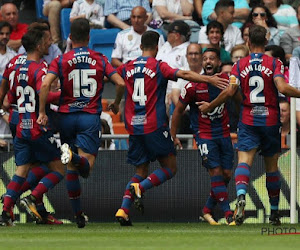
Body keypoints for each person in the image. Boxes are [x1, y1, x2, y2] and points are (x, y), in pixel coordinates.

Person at [109, 30, 229, 226]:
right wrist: (209, 79)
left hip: (134, 128)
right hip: (154, 125)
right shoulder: (158, 66)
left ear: (140, 47)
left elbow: (115, 80)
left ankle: (123, 209)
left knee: (141, 169)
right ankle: (140, 188)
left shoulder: (127, 66)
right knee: (170, 167)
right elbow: (184, 73)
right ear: (157, 48)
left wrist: (115, 102)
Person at [199, 25, 300, 226]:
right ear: (266, 41)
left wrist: (210, 105)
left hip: (248, 119)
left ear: (248, 42)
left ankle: (242, 195)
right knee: (271, 167)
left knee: (244, 162)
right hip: (271, 119)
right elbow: (282, 87)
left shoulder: (239, 65)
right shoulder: (274, 62)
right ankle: (273, 213)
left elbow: (230, 92)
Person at [37, 18, 125, 228]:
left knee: (72, 169)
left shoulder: (61, 59)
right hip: (88, 118)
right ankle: (75, 156)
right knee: (85, 167)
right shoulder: (100, 58)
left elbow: (45, 85)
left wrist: (42, 111)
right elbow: (120, 82)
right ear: (89, 37)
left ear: (70, 37)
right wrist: (116, 103)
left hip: (67, 117)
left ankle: (78, 215)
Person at [1, 26, 65, 226]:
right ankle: (33, 197)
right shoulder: (39, 68)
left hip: (18, 123)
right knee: (58, 168)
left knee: (23, 168)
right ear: (38, 44)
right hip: (36, 126)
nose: (50, 43)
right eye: (47, 40)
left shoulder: (15, 65)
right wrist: (65, 95)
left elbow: (7, 98)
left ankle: (6, 209)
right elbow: (43, 92)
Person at [171, 48, 235, 225]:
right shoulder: (192, 86)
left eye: (212, 58)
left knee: (227, 174)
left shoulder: (226, 81)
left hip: (223, 132)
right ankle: (228, 214)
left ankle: (207, 210)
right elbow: (178, 111)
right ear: (201, 63)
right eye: (205, 58)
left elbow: (238, 99)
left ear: (218, 63)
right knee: (215, 171)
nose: (208, 61)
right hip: (204, 134)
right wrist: (173, 134)